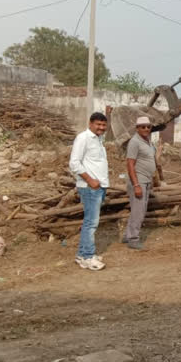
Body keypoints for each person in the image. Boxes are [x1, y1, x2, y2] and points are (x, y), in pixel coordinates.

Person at [69, 112, 109, 271]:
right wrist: (90, 180)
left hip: (98, 187)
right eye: (98, 124)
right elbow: (74, 163)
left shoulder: (98, 140)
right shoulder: (83, 138)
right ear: (90, 123)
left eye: (104, 125)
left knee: (91, 221)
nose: (101, 127)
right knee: (91, 223)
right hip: (90, 187)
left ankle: (82, 254)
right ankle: (87, 256)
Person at [123, 116, 159, 250]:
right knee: (139, 211)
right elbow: (130, 164)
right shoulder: (134, 142)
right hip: (138, 181)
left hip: (146, 180)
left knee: (138, 210)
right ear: (137, 128)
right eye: (143, 126)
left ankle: (128, 235)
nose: (146, 129)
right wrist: (136, 185)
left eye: (148, 127)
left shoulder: (147, 141)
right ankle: (133, 239)